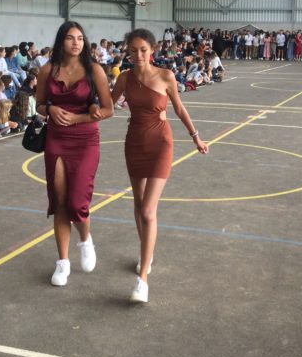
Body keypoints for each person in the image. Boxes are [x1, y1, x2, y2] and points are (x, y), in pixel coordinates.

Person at [111, 28, 208, 303]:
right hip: (134, 144)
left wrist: (196, 137)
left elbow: (179, 108)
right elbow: (106, 105)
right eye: (133, 50)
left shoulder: (165, 76)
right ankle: (147, 253)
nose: (138, 55)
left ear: (152, 50)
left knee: (147, 209)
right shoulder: (125, 78)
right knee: (138, 203)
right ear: (128, 52)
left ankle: (142, 279)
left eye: (143, 50)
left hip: (160, 144)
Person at [34, 21, 113, 288]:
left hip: (86, 139)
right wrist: (50, 110)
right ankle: (63, 262)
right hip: (56, 138)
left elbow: (108, 109)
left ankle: (86, 240)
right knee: (59, 201)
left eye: (80, 38)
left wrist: (78, 118)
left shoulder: (94, 70)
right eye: (70, 38)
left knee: (78, 202)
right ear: (61, 41)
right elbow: (39, 105)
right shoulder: (48, 70)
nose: (76, 42)